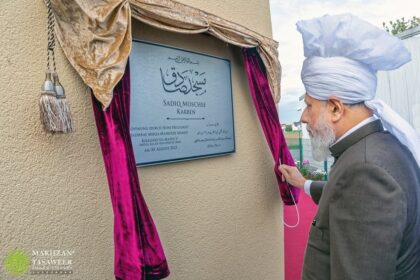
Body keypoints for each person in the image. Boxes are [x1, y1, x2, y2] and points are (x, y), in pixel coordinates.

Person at [279, 14, 420, 280]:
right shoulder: (376, 148)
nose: (302, 117)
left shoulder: (366, 169)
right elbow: (344, 194)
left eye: (309, 105)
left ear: (335, 108)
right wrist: (304, 183)